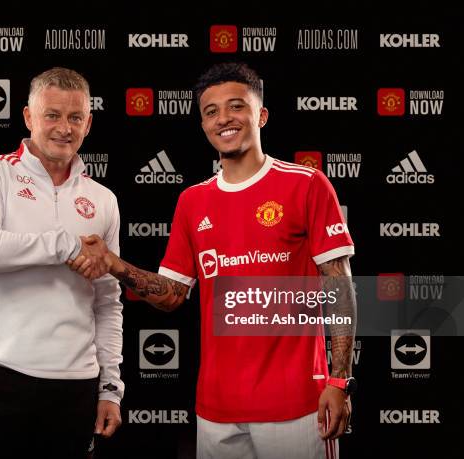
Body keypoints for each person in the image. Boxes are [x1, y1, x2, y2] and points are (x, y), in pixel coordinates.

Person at [70, 62, 357, 459]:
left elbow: (339, 287)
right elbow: (171, 295)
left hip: (297, 405)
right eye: (211, 111)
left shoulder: (305, 184)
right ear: (203, 124)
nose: (224, 119)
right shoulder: (192, 201)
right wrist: (114, 264)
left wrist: (339, 381)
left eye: (236, 106)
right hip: (217, 410)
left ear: (261, 114)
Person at [0, 67, 123, 458]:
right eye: (52, 115)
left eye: (75, 117)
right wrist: (64, 246)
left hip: (75, 387)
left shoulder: (103, 199)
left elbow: (107, 303)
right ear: (29, 117)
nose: (64, 127)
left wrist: (110, 387)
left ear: (89, 123)